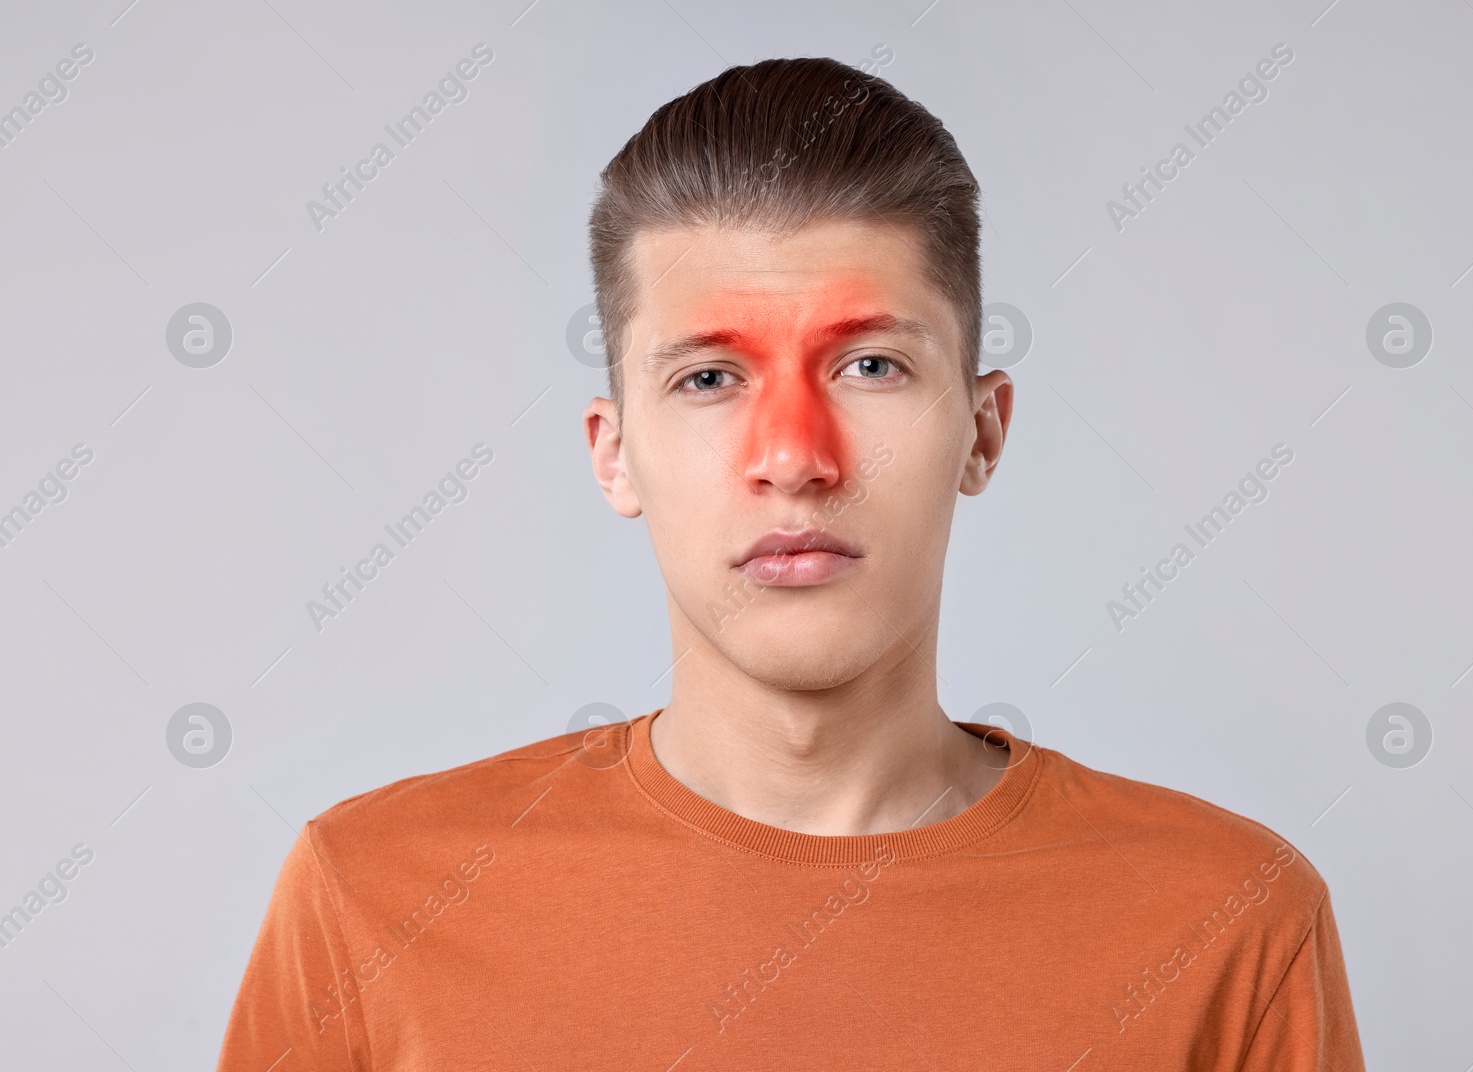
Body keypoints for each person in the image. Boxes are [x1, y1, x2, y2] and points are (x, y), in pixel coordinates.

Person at [217, 56, 1364, 1070]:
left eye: (868, 366)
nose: (794, 459)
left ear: (983, 430)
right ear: (615, 458)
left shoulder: (1228, 923)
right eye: (708, 378)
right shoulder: (370, 898)